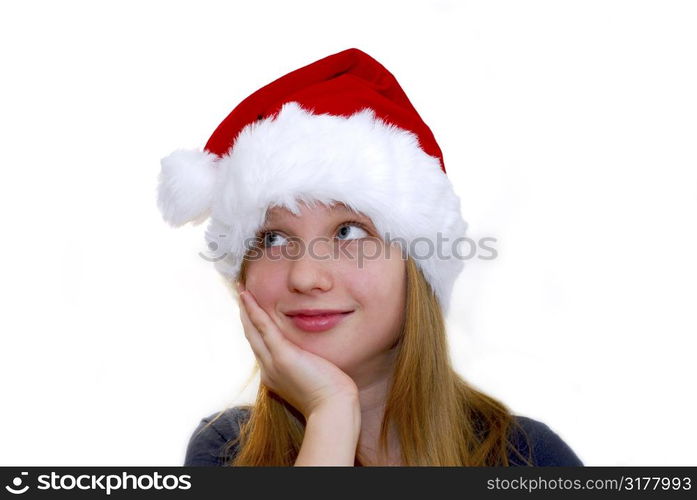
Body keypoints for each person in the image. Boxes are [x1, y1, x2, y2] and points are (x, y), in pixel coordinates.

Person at [157, 48, 583, 466]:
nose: (305, 276)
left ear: (415, 264)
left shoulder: (526, 460)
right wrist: (330, 416)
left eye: (348, 232)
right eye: (271, 238)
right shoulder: (226, 452)